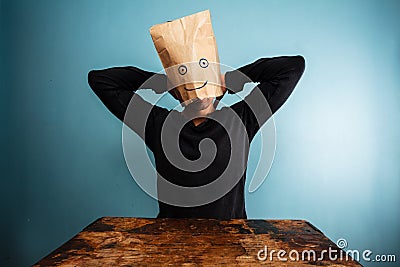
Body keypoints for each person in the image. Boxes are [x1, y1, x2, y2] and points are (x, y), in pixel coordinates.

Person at [88, 55, 305, 219]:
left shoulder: (242, 118)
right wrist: (163, 82)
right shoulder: (157, 124)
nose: (199, 87)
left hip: (231, 246)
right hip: (170, 246)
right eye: (188, 81)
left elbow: (293, 68)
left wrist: (230, 79)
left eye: (204, 77)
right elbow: (101, 80)